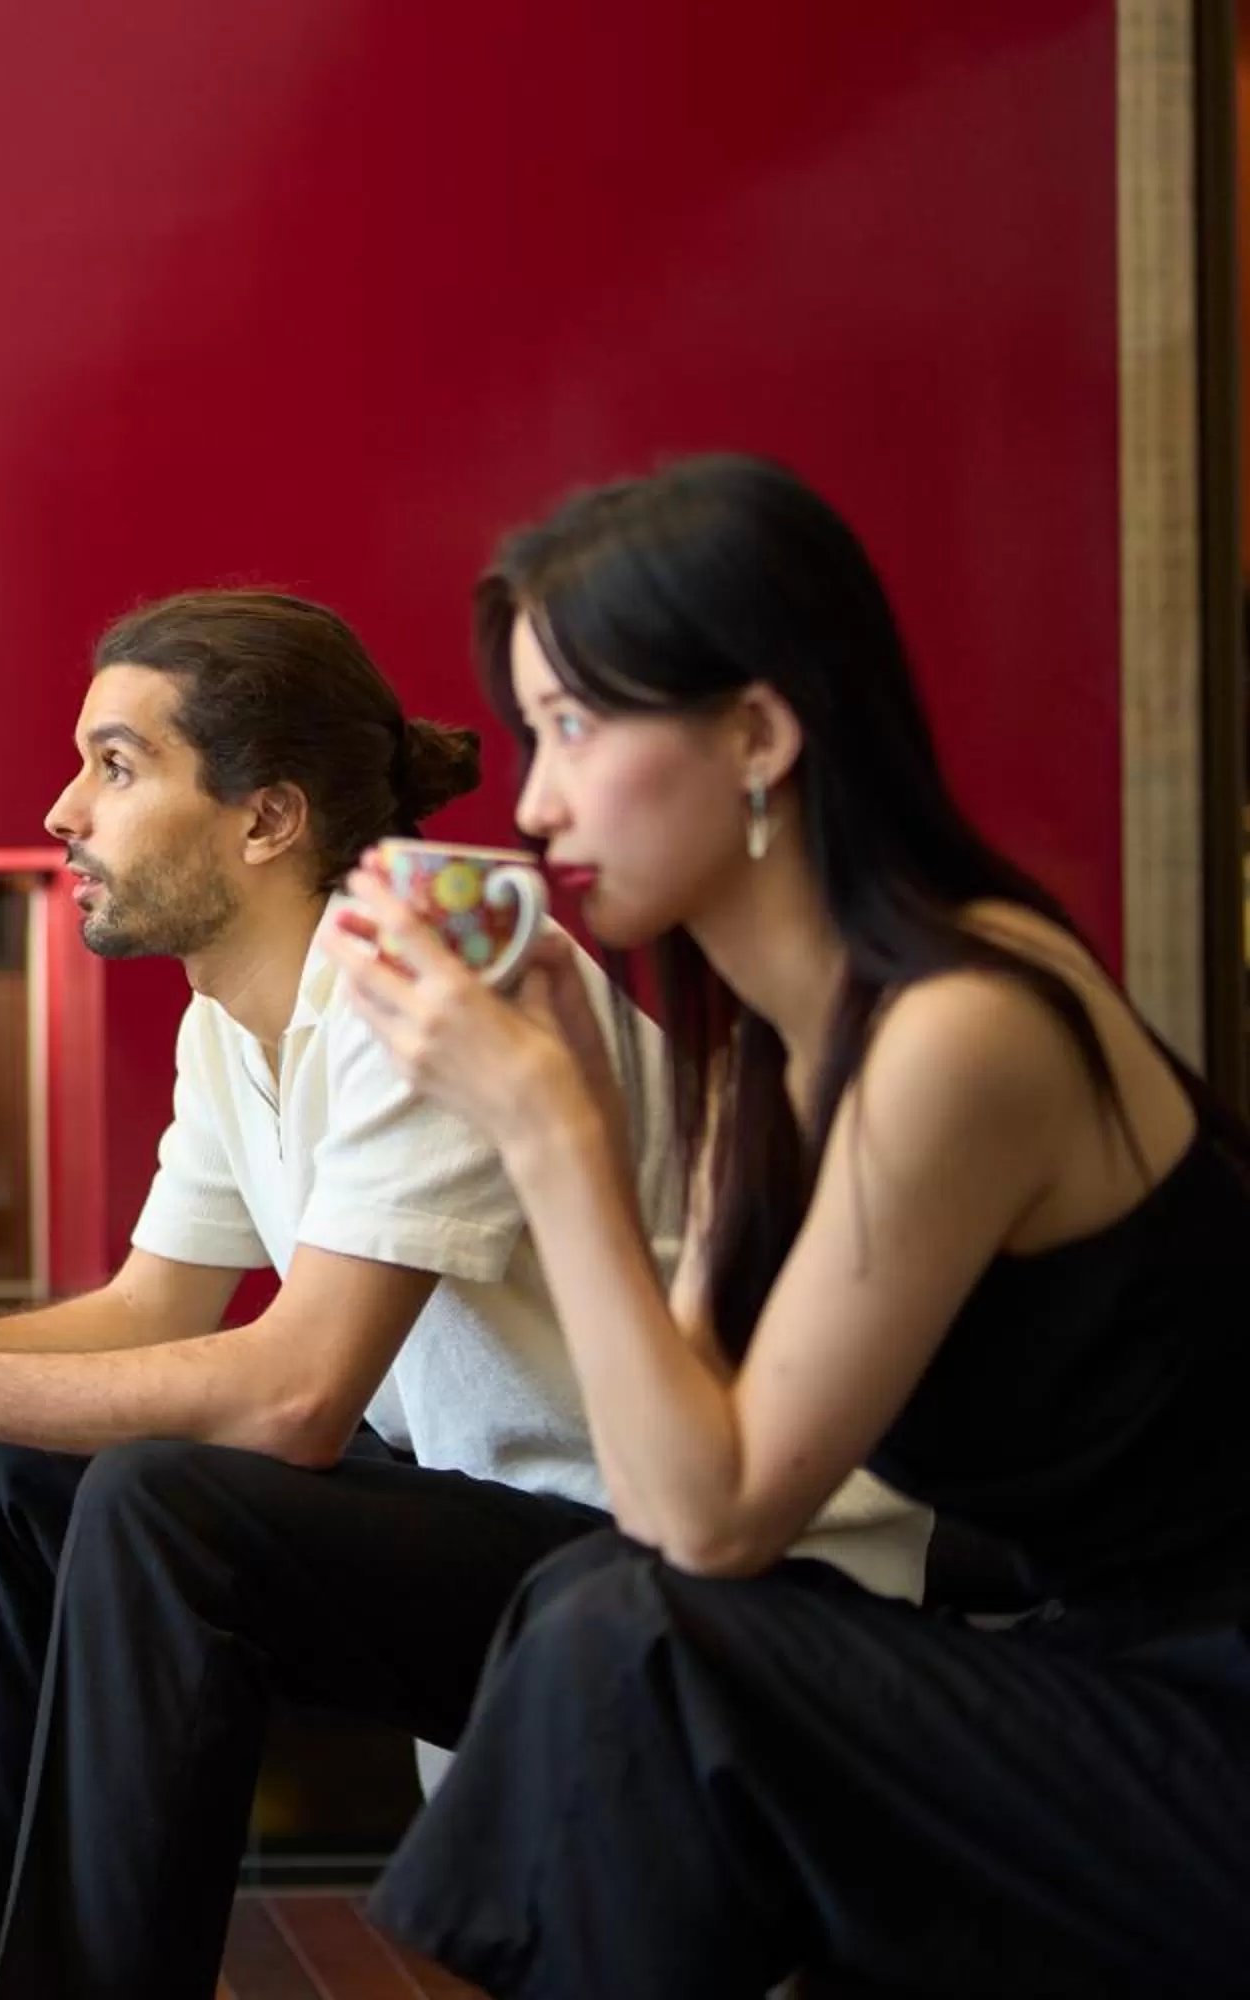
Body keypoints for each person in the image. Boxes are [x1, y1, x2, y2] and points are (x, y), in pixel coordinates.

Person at [0, 587, 927, 2000]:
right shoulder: (230, 1022)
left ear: (267, 819)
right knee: (3, 1457)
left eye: (117, 766)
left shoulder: (435, 978)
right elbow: (149, 1313)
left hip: (716, 1565)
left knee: (164, 1503)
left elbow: (301, 1397)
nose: (65, 812)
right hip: (521, 1528)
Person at [331, 455, 1250, 1996]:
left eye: (574, 728)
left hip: (1205, 1720)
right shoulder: (779, 1046)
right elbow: (666, 1484)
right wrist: (586, 1111)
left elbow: (714, 1524)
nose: (537, 803)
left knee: (637, 1638)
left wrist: (550, 1136)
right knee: (591, 1601)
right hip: (1106, 1670)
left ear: (758, 735)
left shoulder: (961, 1029)